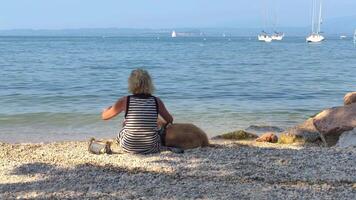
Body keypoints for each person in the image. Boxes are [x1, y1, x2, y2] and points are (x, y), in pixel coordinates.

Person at [101, 68, 173, 154]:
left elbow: (105, 117)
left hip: (128, 147)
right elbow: (170, 120)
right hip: (151, 147)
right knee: (158, 129)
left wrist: (106, 110)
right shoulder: (156, 101)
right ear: (149, 84)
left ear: (131, 84)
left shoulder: (125, 100)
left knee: (125, 125)